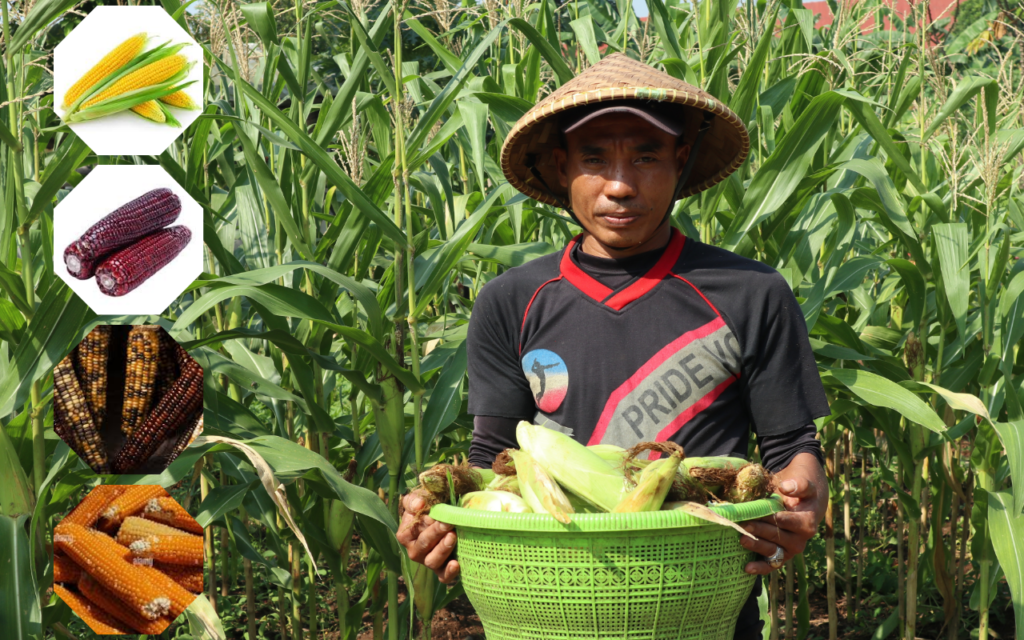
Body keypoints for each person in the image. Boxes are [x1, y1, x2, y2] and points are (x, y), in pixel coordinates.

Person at [397, 53, 830, 639]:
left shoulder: (752, 294)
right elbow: (493, 457)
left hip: (697, 603)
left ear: (681, 161)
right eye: (594, 159)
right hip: (547, 601)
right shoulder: (512, 300)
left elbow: (792, 447)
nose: (620, 185)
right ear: (560, 166)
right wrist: (445, 514)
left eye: (647, 157)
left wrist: (802, 499)